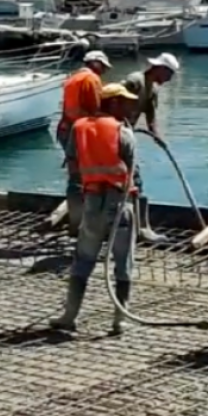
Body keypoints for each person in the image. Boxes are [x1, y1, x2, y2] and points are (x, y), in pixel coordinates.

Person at [50, 82, 140, 336]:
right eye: (125, 102)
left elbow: (73, 165)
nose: (130, 107)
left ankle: (69, 316)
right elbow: (133, 172)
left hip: (92, 203)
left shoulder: (79, 128)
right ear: (113, 102)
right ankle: (120, 320)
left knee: (83, 260)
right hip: (120, 204)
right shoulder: (123, 132)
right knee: (123, 262)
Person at [122, 52, 180, 243]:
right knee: (129, 179)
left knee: (134, 181)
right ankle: (136, 227)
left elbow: (151, 118)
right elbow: (113, 104)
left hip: (127, 136)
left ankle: (140, 226)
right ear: (160, 69)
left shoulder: (152, 90)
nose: (169, 79)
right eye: (169, 74)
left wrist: (158, 136)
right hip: (115, 135)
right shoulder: (134, 81)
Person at [56, 50, 112, 235]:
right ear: (95, 63)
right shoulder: (91, 79)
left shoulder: (73, 78)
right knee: (85, 178)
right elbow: (95, 110)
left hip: (66, 129)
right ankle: (84, 225)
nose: (104, 71)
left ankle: (75, 221)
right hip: (80, 132)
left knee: (75, 178)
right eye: (103, 66)